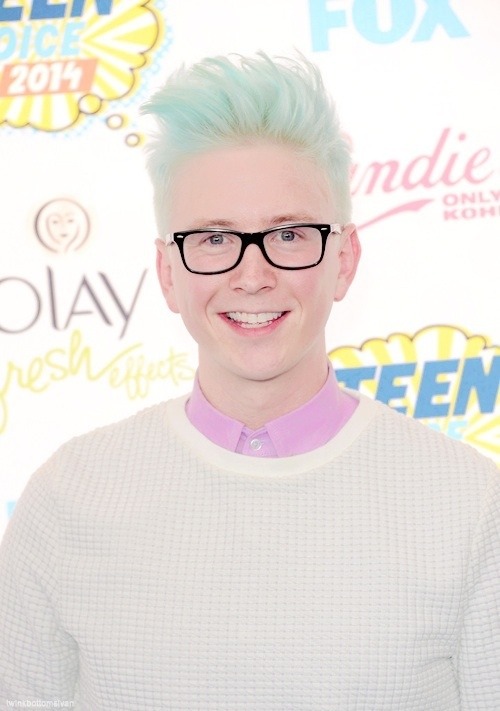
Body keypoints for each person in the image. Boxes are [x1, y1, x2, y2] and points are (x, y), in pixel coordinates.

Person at [0, 53, 499, 711]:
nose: (252, 274)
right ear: (168, 271)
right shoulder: (69, 497)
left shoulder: (471, 504)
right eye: (213, 239)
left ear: (344, 260)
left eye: (289, 233)